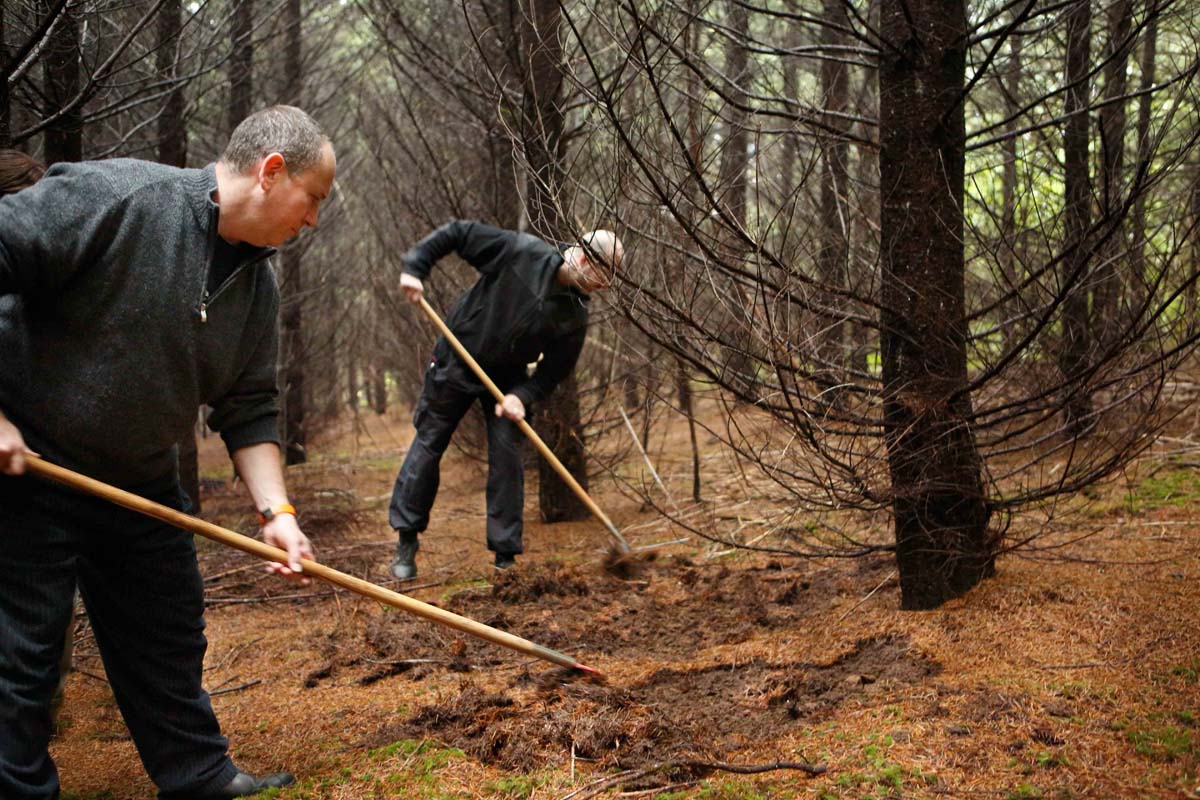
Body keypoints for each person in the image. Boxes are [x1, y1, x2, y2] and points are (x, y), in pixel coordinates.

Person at [0, 105, 335, 800]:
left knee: (167, 633)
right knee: (20, 655)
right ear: (272, 172)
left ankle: (199, 777)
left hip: (141, 482)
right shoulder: (119, 198)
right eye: (313, 200)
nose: (312, 222)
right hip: (30, 469)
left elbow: (249, 407)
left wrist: (277, 513)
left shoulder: (257, 285)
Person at [387, 221, 623, 579]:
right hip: (458, 356)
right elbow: (459, 233)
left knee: (507, 456)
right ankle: (407, 540)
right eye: (603, 276)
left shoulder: (574, 315)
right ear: (585, 260)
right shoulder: (521, 252)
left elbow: (554, 371)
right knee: (430, 442)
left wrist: (521, 395)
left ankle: (505, 557)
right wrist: (415, 267)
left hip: (507, 377)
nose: (603, 286)